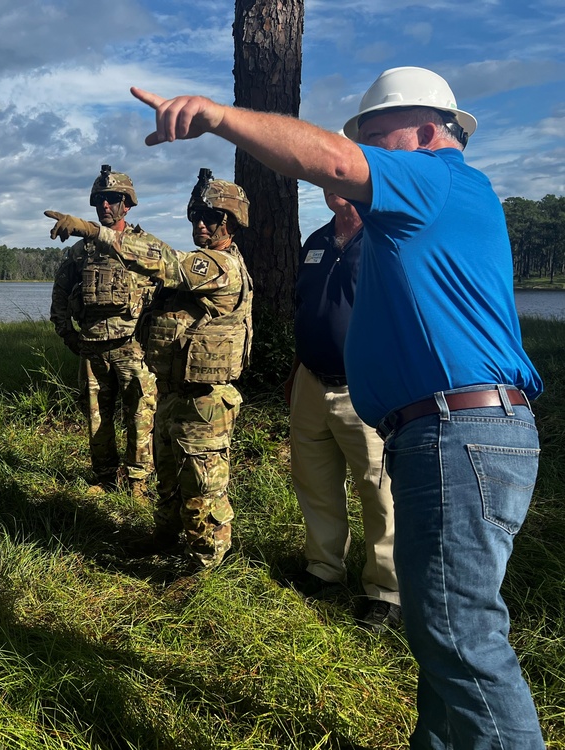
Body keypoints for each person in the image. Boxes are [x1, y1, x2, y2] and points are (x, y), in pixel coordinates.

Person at [130, 67, 545, 746]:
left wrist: (217, 116)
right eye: (369, 142)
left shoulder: (436, 179)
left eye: (381, 138)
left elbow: (330, 158)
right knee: (442, 631)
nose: (372, 155)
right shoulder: (403, 221)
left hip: (456, 429)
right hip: (445, 430)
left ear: (429, 129)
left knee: (463, 637)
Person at [46, 168, 253, 572]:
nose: (199, 225)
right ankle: (165, 536)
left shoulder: (220, 267)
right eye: (195, 217)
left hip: (205, 401)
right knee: (171, 480)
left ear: (226, 222)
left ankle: (204, 563)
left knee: (202, 487)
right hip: (176, 393)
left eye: (208, 218)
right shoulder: (202, 264)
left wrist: (95, 231)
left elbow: (165, 261)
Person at [284, 188, 401, 632]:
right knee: (314, 480)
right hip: (311, 382)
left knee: (379, 488)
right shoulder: (315, 241)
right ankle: (323, 568)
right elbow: (305, 311)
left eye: (344, 177)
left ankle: (386, 592)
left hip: (367, 389)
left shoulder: (384, 239)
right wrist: (295, 371)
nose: (335, 187)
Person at [49, 165, 158, 499]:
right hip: (93, 349)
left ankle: (138, 482)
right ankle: (105, 476)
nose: (105, 206)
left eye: (113, 200)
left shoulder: (143, 248)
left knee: (140, 416)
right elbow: (60, 294)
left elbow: (166, 292)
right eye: (100, 200)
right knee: (97, 419)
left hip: (133, 349)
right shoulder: (80, 252)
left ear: (127, 204)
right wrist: (69, 335)